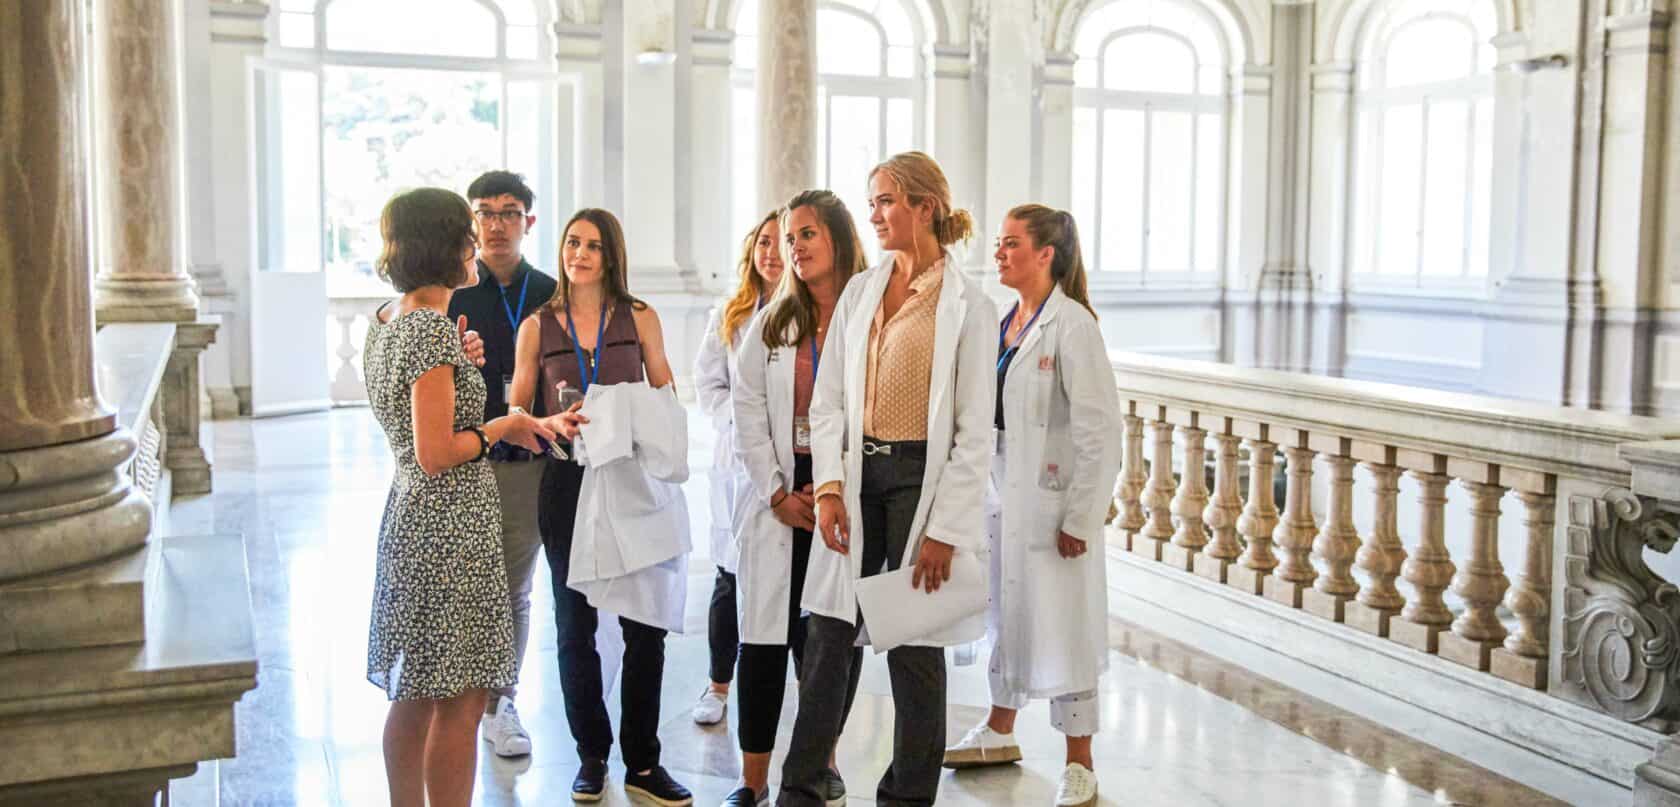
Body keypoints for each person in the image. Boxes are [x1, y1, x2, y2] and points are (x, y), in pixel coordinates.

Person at [778, 152, 996, 807]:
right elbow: (828, 401)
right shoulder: (862, 291)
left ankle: (906, 795)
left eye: (885, 201)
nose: (872, 214)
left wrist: (947, 528)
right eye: (871, 201)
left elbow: (973, 431)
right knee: (826, 636)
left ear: (924, 206)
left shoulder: (968, 307)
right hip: (855, 476)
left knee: (914, 648)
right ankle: (802, 784)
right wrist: (831, 486)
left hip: (918, 484)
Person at [360, 187, 566, 807]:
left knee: (417, 688)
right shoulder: (429, 330)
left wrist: (461, 362)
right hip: (449, 522)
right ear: (443, 245)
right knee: (461, 694)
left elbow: (418, 411)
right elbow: (437, 450)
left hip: (413, 514)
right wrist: (503, 426)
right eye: (465, 233)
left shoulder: (391, 319)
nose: (476, 243)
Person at [508, 208, 693, 806]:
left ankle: (643, 761)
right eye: (570, 243)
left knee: (646, 627)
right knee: (574, 626)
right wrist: (545, 422)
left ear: (610, 256)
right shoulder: (538, 325)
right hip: (566, 484)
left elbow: (667, 394)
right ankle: (592, 756)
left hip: (631, 481)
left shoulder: (639, 317)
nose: (578, 254)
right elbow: (516, 412)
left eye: (591, 246)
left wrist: (639, 416)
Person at [941, 204, 1120, 807]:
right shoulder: (1003, 320)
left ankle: (1081, 763)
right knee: (1006, 614)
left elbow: (1100, 432)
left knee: (1066, 628)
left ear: (1046, 254)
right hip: (999, 495)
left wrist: (1080, 516)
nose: (999, 252)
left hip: (1051, 508)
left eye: (1011, 243)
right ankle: (999, 727)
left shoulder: (1072, 326)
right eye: (998, 242)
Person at [725, 191, 868, 807]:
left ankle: (822, 763)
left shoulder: (869, 315)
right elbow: (746, 410)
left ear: (837, 238)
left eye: (807, 234)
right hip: (780, 498)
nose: (795, 247)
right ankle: (752, 783)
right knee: (761, 642)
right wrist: (777, 492)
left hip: (846, 497)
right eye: (789, 237)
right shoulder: (772, 321)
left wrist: (835, 486)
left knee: (831, 645)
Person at [446, 170, 558, 758]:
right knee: (466, 586)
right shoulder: (454, 290)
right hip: (464, 457)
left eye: (508, 212)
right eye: (484, 212)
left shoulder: (547, 290)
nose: (495, 224)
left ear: (527, 223)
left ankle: (499, 703)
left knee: (514, 586)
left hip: (526, 462)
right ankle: (460, 696)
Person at [691, 210, 785, 727]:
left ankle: (774, 686)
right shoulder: (729, 312)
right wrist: (743, 423)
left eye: (780, 243)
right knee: (728, 577)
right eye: (763, 243)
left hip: (787, 463)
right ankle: (717, 684)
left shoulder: (809, 310)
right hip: (736, 464)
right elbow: (709, 385)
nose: (770, 253)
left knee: (780, 584)